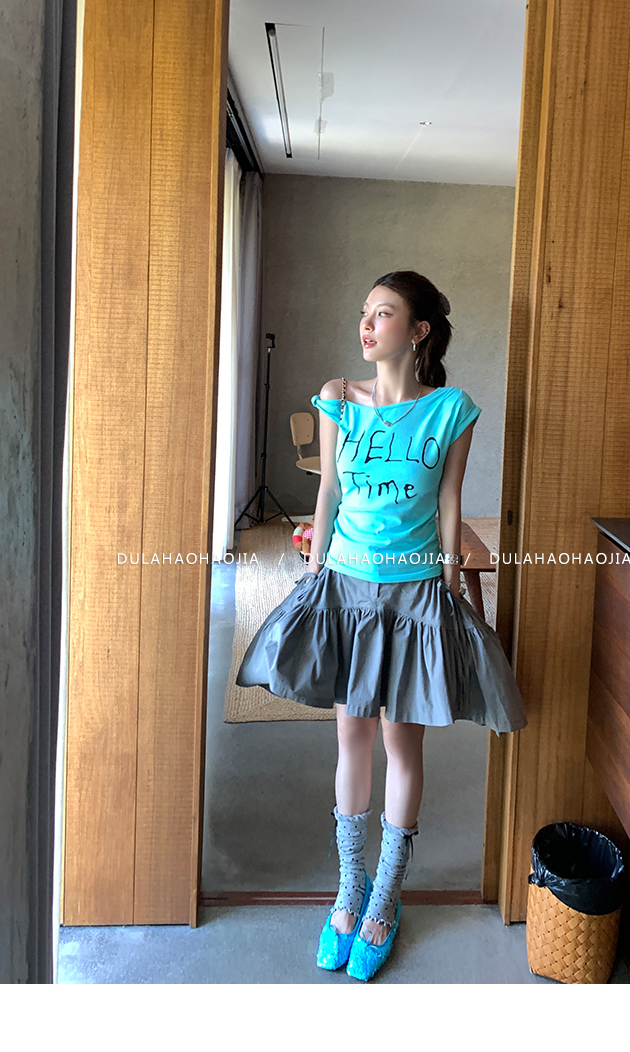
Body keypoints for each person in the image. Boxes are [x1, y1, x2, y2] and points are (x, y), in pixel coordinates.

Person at [235, 269, 528, 981]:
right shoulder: (339, 398)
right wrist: (314, 575)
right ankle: (349, 887)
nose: (367, 324)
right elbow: (329, 492)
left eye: (384, 313)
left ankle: (386, 893)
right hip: (346, 588)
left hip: (415, 594)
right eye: (365, 312)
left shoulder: (449, 409)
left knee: (402, 741)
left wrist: (451, 585)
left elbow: (451, 500)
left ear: (419, 330)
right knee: (352, 736)